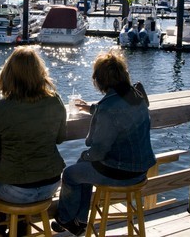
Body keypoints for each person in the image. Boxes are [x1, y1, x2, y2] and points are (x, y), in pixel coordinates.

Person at [52, 50, 157, 236]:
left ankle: (67, 218)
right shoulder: (136, 97)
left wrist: (85, 155)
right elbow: (121, 114)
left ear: (99, 79)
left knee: (70, 174)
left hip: (121, 171)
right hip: (141, 170)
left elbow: (98, 151)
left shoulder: (107, 108)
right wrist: (93, 109)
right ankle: (78, 220)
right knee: (84, 167)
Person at [0, 46, 67, 235]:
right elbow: (60, 138)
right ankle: (19, 226)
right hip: (51, 185)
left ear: (8, 74)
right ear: (40, 73)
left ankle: (2, 227)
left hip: (15, 191)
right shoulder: (55, 101)